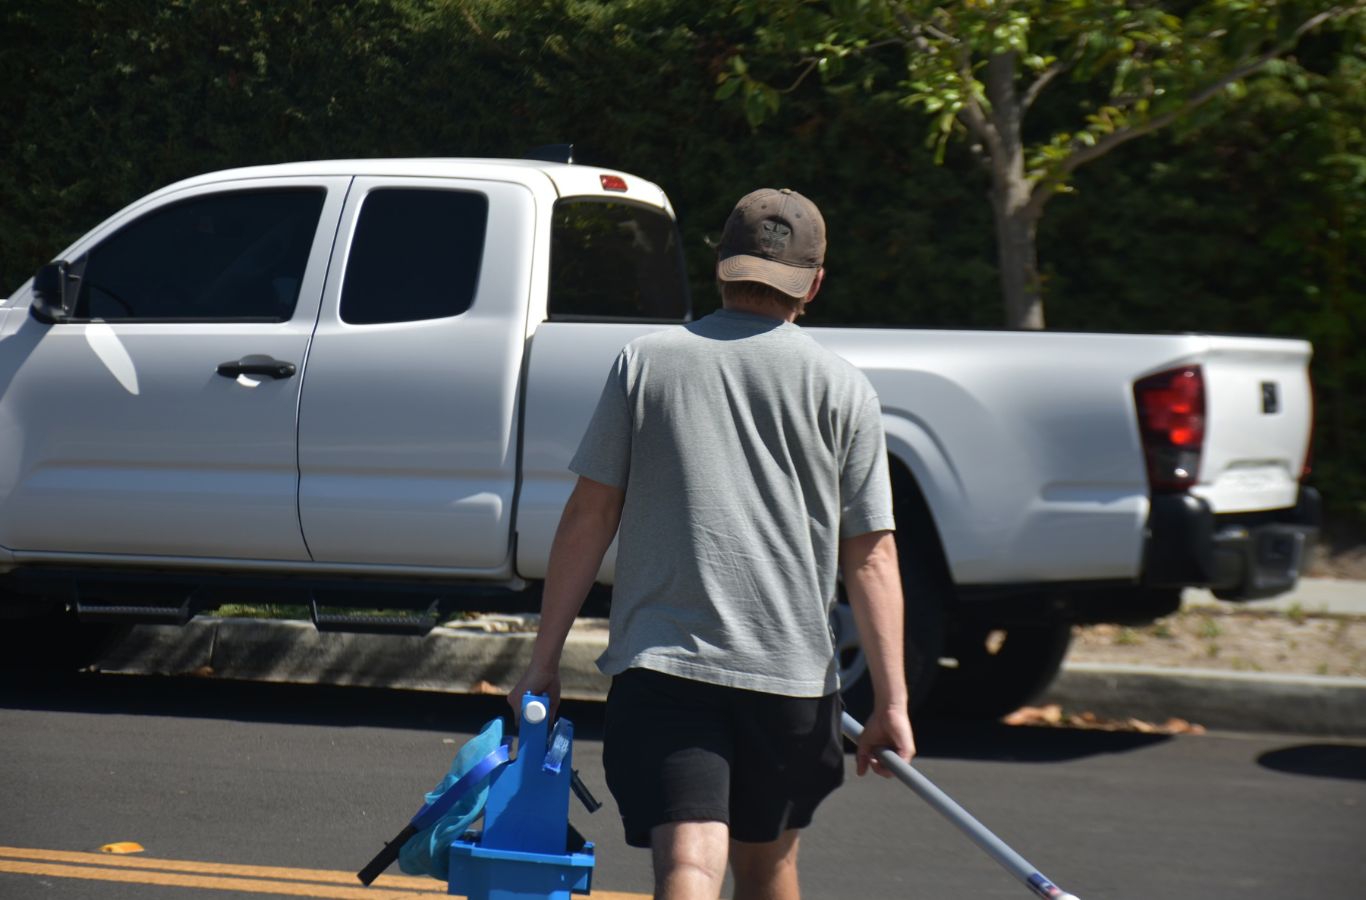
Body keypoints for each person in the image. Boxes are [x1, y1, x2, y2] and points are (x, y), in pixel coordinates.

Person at [509, 187, 915, 900]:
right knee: (768, 868)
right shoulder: (844, 388)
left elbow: (589, 515)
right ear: (814, 283)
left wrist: (544, 661)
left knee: (688, 866)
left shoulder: (646, 363)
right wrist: (891, 702)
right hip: (790, 679)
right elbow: (872, 556)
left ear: (722, 265)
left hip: (666, 669)